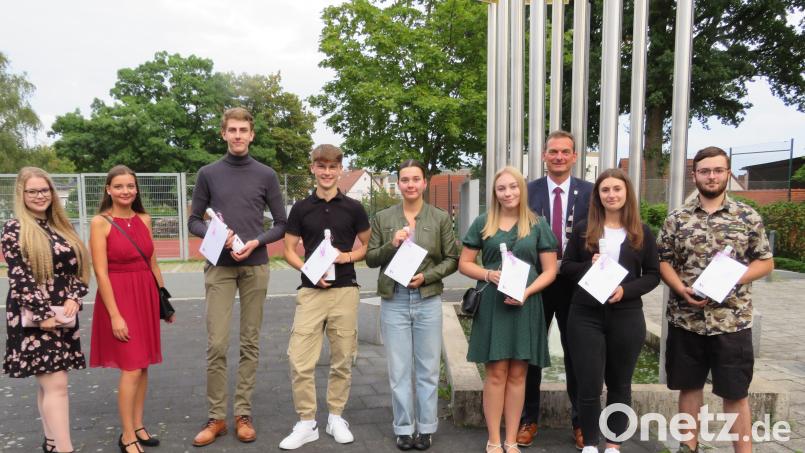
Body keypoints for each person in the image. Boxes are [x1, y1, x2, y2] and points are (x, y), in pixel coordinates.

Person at [658, 146, 773, 453]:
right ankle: (688, 447)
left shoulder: (747, 216)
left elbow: (765, 261)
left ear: (727, 173)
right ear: (694, 175)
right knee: (689, 388)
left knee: (735, 393)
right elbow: (664, 261)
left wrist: (732, 278)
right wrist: (679, 288)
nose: (711, 176)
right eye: (705, 171)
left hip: (732, 321)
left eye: (718, 170)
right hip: (686, 319)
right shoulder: (677, 219)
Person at [188, 107, 288, 446]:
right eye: (232, 130)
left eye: (243, 130)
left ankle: (242, 413)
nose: (238, 135)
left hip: (255, 266)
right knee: (216, 344)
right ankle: (216, 417)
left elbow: (282, 223)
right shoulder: (208, 173)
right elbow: (193, 221)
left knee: (250, 343)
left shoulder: (266, 175)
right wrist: (218, 234)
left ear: (252, 134)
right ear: (223, 133)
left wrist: (256, 242)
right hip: (219, 266)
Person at [459, 166, 558, 453]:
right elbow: (464, 263)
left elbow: (550, 271)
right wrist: (488, 275)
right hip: (493, 304)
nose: (508, 193)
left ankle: (511, 439)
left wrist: (526, 292)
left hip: (525, 305)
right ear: (495, 193)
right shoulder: (483, 223)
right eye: (501, 188)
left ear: (522, 189)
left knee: (518, 374)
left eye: (513, 187)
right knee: (495, 373)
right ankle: (493, 439)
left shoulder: (537, 224)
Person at [560, 169, 660, 453]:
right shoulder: (583, 229)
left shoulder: (641, 231)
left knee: (620, 383)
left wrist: (625, 290)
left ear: (626, 193)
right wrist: (588, 267)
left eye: (617, 189)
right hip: (586, 314)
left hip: (626, 315)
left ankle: (614, 443)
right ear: (598, 196)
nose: (611, 195)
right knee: (588, 383)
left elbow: (653, 274)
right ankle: (590, 443)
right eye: (605, 190)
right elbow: (566, 267)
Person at [278, 144, 370, 450]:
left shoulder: (354, 208)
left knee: (342, 359)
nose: (327, 172)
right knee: (300, 360)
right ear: (313, 169)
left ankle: (335, 417)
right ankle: (307, 422)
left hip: (345, 291)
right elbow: (288, 250)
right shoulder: (301, 209)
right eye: (322, 167)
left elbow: (366, 247)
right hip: (311, 291)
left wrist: (347, 257)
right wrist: (308, 269)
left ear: (340, 170)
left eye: (333, 167)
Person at [366, 159, 459, 451]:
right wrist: (391, 244)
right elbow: (370, 258)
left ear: (424, 182)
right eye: (404, 180)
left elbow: (452, 258)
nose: (410, 185)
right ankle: (404, 428)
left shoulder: (439, 218)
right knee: (399, 369)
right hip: (394, 299)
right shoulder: (383, 218)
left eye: (415, 179)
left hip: (427, 298)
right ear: (399, 183)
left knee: (428, 368)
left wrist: (428, 276)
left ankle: (427, 428)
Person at [2, 167, 91, 453]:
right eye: (33, 191)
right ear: (22, 194)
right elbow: (19, 277)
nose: (40, 196)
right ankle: (65, 449)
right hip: (34, 317)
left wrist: (75, 298)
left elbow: (79, 270)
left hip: (62, 315)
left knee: (49, 383)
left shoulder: (63, 227)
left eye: (45, 190)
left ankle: (52, 443)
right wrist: (44, 315)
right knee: (57, 384)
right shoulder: (14, 228)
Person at [89, 165, 174, 453]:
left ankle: (138, 425)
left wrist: (164, 300)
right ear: (108, 189)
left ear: (136, 189)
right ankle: (127, 435)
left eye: (131, 186)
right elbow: (100, 273)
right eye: (120, 186)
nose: (126, 191)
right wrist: (114, 315)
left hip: (146, 296)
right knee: (131, 368)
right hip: (119, 298)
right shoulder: (100, 222)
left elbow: (152, 263)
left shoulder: (144, 219)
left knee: (143, 366)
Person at [520, 130, 593, 449]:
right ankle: (528, 419)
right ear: (544, 156)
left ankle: (581, 422)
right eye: (553, 152)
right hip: (536, 283)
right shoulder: (526, 191)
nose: (559, 157)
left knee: (577, 354)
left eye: (565, 152)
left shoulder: (591, 193)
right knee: (532, 354)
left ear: (575, 156)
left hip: (577, 285)